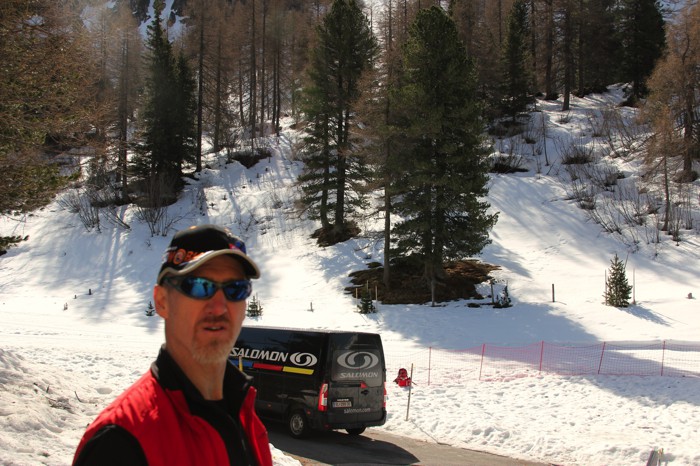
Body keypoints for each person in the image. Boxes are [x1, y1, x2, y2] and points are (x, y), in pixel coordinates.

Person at [73, 224, 273, 466]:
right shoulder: (120, 442)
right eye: (199, 286)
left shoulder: (245, 417)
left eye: (236, 289)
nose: (220, 307)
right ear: (162, 301)